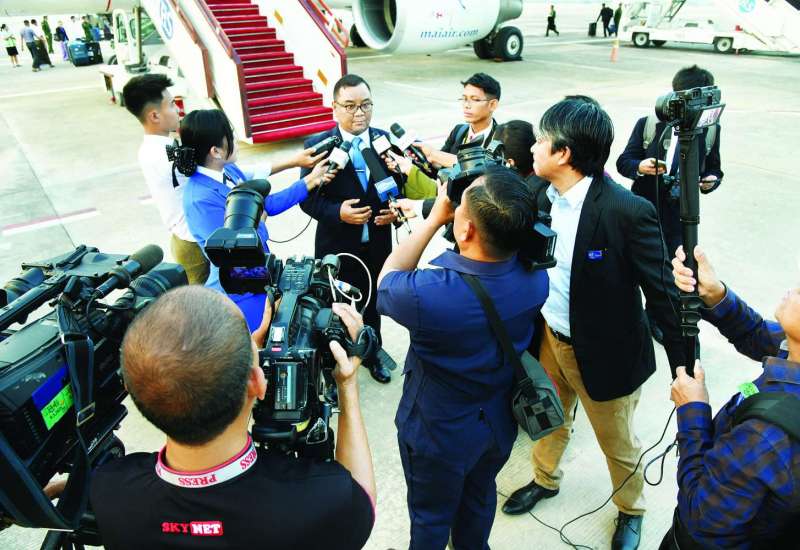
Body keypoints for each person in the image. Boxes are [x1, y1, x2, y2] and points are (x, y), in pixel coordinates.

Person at [501, 98, 686, 550]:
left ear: (564, 154)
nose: (533, 148)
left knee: (617, 443)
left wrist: (684, 366)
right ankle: (545, 479)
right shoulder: (541, 193)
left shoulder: (626, 211)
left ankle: (631, 509)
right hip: (551, 339)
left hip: (605, 352)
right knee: (549, 418)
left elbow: (663, 294)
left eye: (541, 140)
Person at [89, 286, 376, 549]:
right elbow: (363, 501)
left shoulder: (109, 490)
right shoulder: (322, 499)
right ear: (257, 383)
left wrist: (241, 361)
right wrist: (347, 386)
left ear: (131, 390)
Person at [377, 166, 549, 549]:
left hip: (438, 433)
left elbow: (387, 280)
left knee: (431, 518)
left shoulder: (430, 294)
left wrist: (434, 218)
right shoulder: (537, 278)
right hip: (497, 424)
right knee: (479, 499)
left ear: (466, 229)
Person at [664, 245, 800, 549]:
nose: (792, 290)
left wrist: (692, 411)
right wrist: (715, 294)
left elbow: (701, 518)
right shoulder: (793, 350)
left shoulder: (765, 436)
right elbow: (756, 333)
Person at [180, 108, 332, 332]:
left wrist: (309, 181)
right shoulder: (199, 199)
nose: (236, 140)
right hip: (238, 289)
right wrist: (260, 224)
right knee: (256, 340)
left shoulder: (229, 171)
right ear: (216, 151)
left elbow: (266, 204)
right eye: (231, 135)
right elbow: (234, 251)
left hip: (260, 274)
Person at [299, 73, 402, 384]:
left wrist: (395, 213)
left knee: (372, 304)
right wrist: (338, 213)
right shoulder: (317, 146)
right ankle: (335, 361)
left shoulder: (385, 142)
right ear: (334, 107)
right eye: (350, 106)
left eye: (366, 105)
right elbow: (307, 200)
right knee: (336, 307)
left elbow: (400, 186)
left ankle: (372, 353)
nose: (360, 113)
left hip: (378, 244)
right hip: (337, 246)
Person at [616, 65, 723, 342]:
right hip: (644, 209)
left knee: (670, 272)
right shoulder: (649, 124)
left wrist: (710, 180)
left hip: (680, 214)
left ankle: (656, 317)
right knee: (632, 265)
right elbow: (624, 162)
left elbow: (715, 169)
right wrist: (641, 166)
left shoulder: (710, 130)